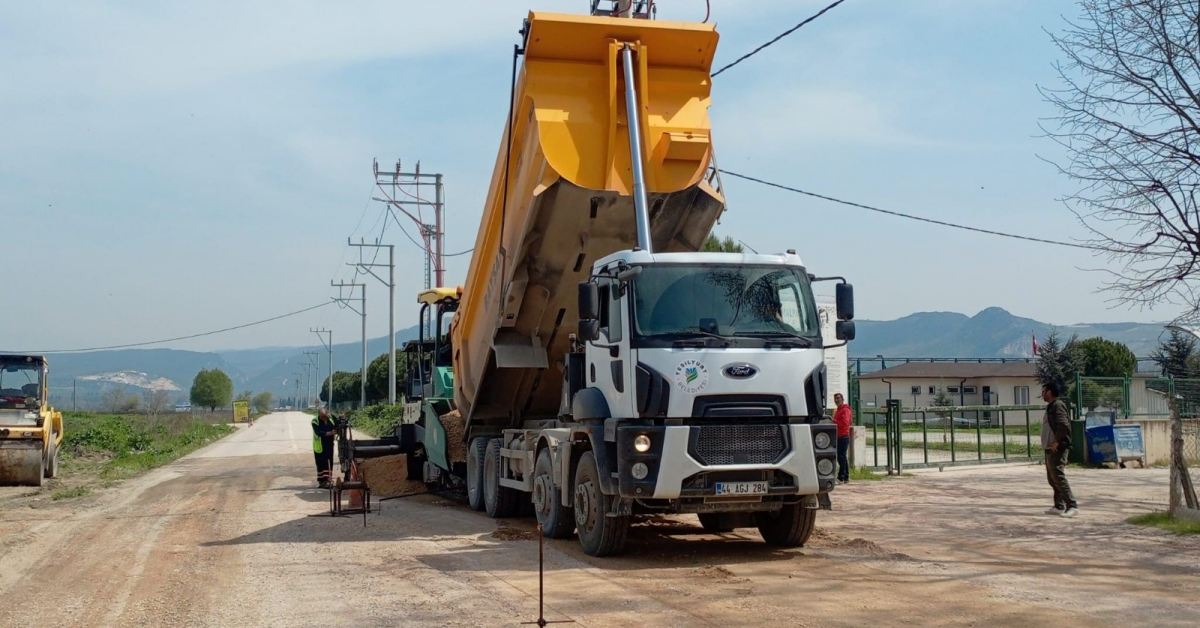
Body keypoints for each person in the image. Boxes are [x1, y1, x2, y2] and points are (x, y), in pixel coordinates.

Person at [1041, 382, 1077, 517]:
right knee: (1052, 479)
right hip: (1049, 448)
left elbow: (1063, 425)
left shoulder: (1058, 405)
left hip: (1058, 448)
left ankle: (1072, 505)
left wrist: (1057, 442)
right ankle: (1059, 505)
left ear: (1049, 392)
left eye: (1043, 391)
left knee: (1058, 477)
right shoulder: (1051, 407)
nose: (1042, 394)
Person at [312, 408, 337, 489]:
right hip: (320, 445)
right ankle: (322, 481)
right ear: (319, 415)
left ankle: (328, 480)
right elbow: (318, 432)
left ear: (327, 414)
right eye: (322, 417)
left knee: (329, 462)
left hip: (329, 444)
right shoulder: (315, 421)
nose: (324, 418)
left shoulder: (331, 417)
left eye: (325, 417)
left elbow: (337, 424)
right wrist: (329, 433)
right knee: (321, 463)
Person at [833, 393, 852, 484]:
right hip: (839, 436)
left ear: (842, 399)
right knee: (842, 457)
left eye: (838, 398)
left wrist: (834, 421)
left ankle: (841, 477)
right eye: (835, 399)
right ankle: (846, 477)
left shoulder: (845, 410)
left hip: (843, 436)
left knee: (841, 457)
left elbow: (845, 423)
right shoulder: (838, 410)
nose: (836, 400)